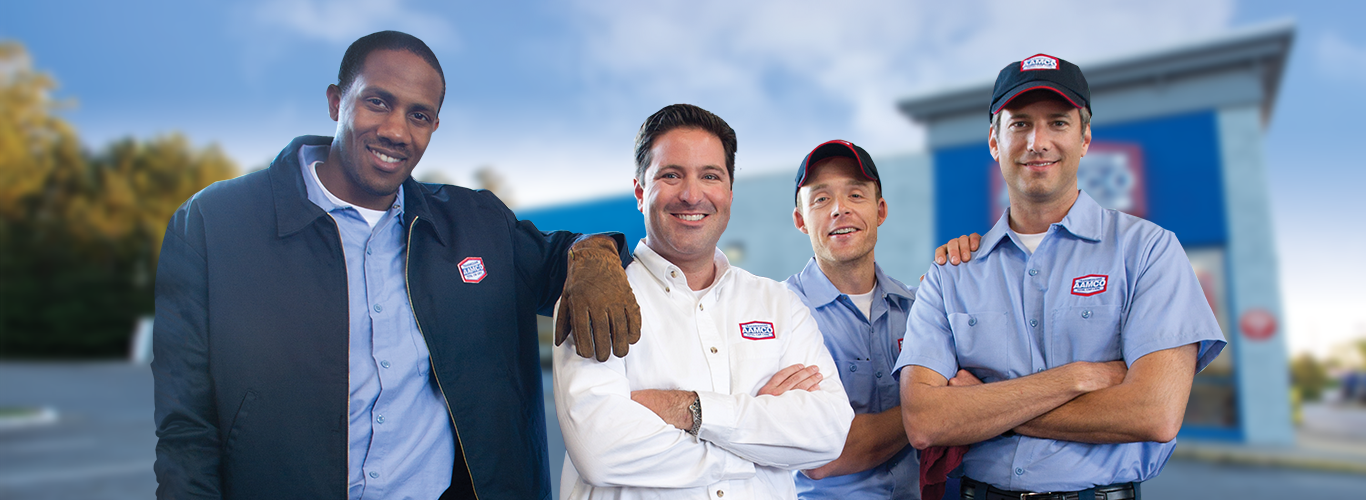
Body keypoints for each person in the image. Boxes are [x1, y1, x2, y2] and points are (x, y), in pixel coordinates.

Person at [153, 31, 640, 499]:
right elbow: (185, 424)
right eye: (378, 102)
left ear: (434, 127)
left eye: (419, 114)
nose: (395, 130)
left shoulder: (477, 223)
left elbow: (565, 253)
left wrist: (593, 255)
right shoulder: (214, 223)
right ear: (335, 102)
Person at [895, 54, 1227, 499]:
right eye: (1019, 125)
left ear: (1085, 138)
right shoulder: (951, 273)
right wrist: (1076, 377)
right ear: (994, 142)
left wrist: (984, 404)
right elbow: (924, 421)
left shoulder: (1147, 250)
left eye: (1057, 123)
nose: (1037, 141)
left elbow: (1154, 412)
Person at [553, 104, 855, 499]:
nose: (692, 195)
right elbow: (599, 450)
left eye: (709, 176)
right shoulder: (595, 297)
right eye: (671, 175)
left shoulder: (779, 304)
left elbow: (828, 433)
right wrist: (756, 448)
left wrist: (689, 410)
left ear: (729, 192)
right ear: (641, 192)